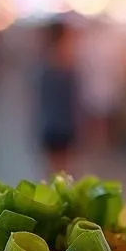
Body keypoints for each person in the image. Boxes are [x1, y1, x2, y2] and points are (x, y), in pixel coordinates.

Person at [37, 20, 80, 172]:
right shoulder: (66, 62)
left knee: (54, 169)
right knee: (63, 169)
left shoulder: (43, 61)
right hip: (62, 123)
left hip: (49, 122)